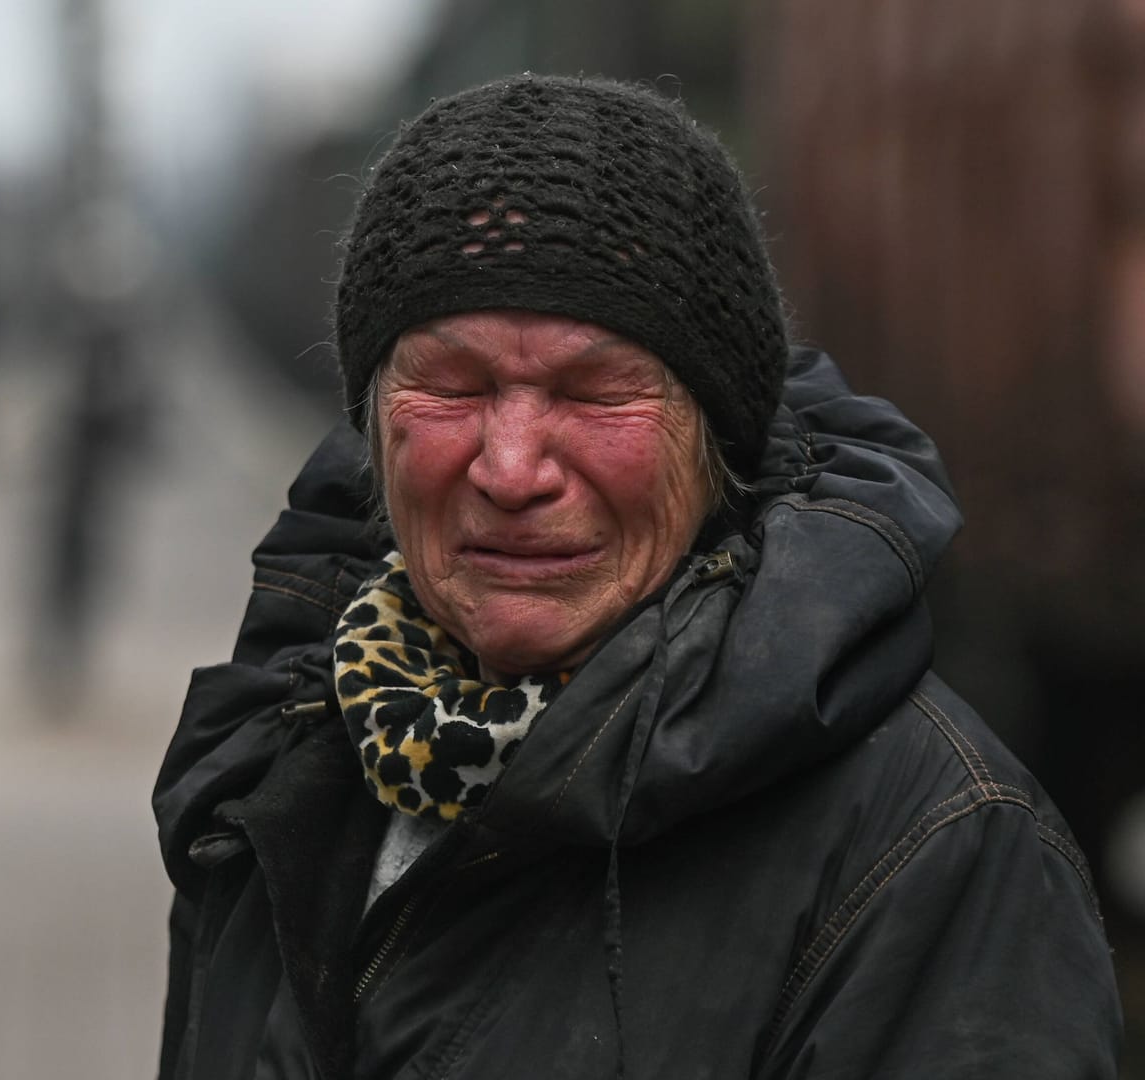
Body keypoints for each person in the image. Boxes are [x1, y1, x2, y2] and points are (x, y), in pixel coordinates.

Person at [153, 75, 1123, 1079]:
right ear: (373, 422)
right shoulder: (285, 764)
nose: (512, 467)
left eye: (596, 391)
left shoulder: (931, 847)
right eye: (452, 385)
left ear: (717, 438)